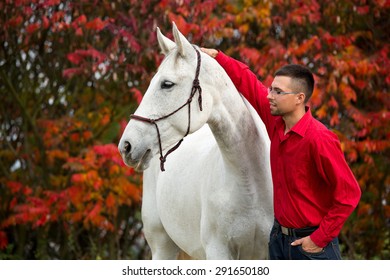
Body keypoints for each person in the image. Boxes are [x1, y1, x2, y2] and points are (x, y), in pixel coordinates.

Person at [201, 47, 361, 260]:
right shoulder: (276, 123)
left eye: (278, 92)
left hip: (313, 247)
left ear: (299, 98)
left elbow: (349, 195)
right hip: (278, 242)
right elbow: (248, 82)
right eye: (271, 89)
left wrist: (319, 238)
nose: (269, 96)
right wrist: (218, 57)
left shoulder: (320, 139)